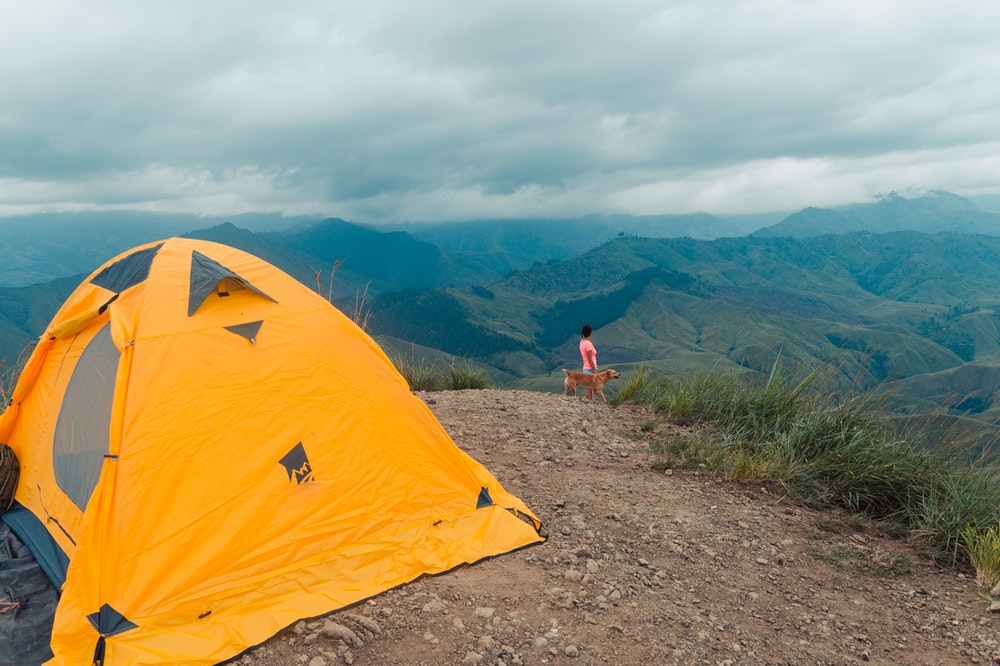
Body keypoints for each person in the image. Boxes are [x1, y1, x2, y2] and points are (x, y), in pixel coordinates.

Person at [579, 323, 598, 400]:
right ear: (590, 332)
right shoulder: (588, 344)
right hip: (590, 369)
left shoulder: (582, 342)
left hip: (586, 368)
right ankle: (585, 405)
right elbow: (590, 359)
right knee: (590, 391)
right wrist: (595, 370)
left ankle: (589, 404)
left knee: (591, 390)